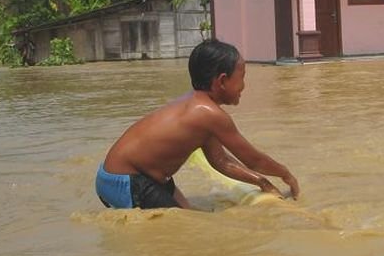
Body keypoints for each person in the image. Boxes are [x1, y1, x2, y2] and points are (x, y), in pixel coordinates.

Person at [95, 40, 299, 210]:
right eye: (242, 77)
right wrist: (286, 174)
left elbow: (221, 161)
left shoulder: (198, 108)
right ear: (222, 81)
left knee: (193, 217)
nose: (243, 86)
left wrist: (262, 182)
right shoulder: (208, 114)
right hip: (126, 181)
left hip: (125, 177)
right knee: (186, 234)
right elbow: (254, 160)